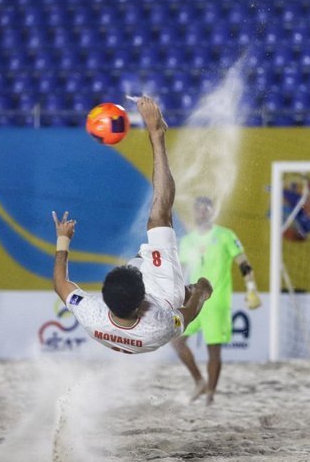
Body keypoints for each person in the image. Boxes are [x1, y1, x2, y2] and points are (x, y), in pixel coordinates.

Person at [52, 96, 213, 354]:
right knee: (159, 218)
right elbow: (189, 313)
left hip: (133, 304)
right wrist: (202, 290)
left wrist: (63, 238)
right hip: (164, 294)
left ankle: (175, 283)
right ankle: (157, 134)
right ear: (141, 305)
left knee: (143, 254)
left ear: (105, 300)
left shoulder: (92, 313)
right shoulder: (160, 325)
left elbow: (61, 284)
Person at [171, 197, 261, 405]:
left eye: (206, 209)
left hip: (217, 301)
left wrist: (251, 288)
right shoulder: (187, 241)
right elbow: (180, 272)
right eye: (199, 209)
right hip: (194, 302)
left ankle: (210, 395)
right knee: (176, 340)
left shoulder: (225, 235)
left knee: (213, 350)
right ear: (194, 212)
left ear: (212, 212)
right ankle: (199, 381)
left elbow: (243, 262)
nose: (202, 212)